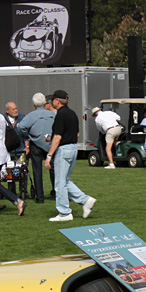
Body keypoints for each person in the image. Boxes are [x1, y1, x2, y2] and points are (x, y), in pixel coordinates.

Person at [45, 90, 96, 222]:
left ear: (57, 100)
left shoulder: (60, 115)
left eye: (52, 100)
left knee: (59, 183)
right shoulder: (72, 113)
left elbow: (58, 137)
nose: (51, 102)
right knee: (65, 180)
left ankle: (64, 212)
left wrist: (49, 155)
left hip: (63, 149)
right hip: (73, 148)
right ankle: (85, 200)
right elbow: (76, 134)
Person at [17, 93, 55, 203]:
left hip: (36, 144)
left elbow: (22, 127)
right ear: (45, 103)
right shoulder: (52, 114)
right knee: (53, 170)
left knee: (37, 171)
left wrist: (27, 135)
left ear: (34, 104)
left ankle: (40, 197)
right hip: (50, 144)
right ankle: (56, 193)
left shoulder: (31, 115)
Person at [92, 105, 122, 169]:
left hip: (110, 130)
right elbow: (118, 118)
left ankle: (111, 164)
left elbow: (100, 129)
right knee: (115, 143)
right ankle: (119, 156)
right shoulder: (109, 112)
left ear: (96, 113)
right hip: (118, 128)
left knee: (108, 148)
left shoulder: (97, 119)